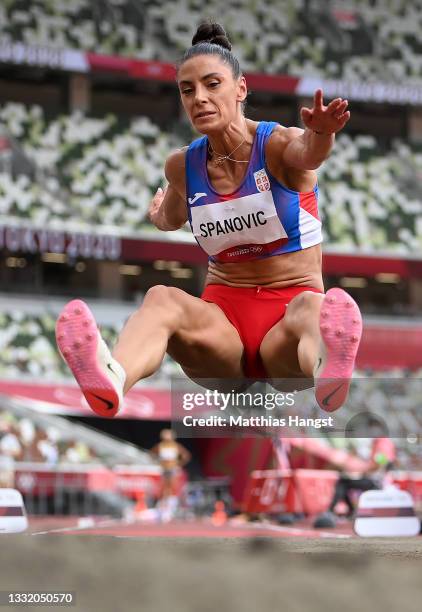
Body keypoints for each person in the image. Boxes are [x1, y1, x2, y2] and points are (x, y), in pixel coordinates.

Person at [55, 21, 362, 418]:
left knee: (314, 307)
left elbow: (310, 155)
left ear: (241, 89)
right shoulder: (183, 165)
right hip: (222, 331)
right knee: (161, 298)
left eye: (212, 84)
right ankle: (113, 378)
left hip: (287, 325)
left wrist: (321, 133)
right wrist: (158, 215)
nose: (198, 98)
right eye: (188, 90)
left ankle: (329, 370)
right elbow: (171, 218)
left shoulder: (278, 146)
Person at [151, 429, 191, 502]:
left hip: (172, 468)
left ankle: (173, 501)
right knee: (164, 486)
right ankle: (164, 501)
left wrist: (179, 463)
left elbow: (186, 455)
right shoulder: (160, 446)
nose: (167, 438)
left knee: (173, 485)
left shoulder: (176, 446)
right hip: (164, 468)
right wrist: (158, 462)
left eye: (168, 436)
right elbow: (152, 454)